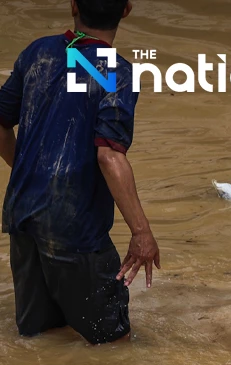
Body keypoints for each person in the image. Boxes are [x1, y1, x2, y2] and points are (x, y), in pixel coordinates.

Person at [0, 0, 159, 345]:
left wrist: (33, 174)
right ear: (127, 9)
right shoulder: (115, 71)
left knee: (40, 338)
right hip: (75, 227)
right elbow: (108, 156)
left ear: (73, 5)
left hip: (22, 213)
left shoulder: (38, 53)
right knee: (114, 345)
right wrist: (141, 232)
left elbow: (1, 124)